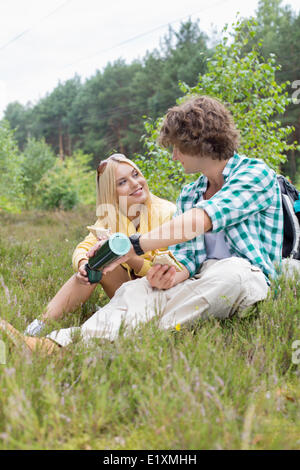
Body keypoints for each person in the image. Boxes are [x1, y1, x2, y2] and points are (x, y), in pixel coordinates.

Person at [0, 96, 284, 353]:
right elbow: (190, 255)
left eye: (176, 148)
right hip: (199, 279)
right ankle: (53, 346)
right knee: (137, 290)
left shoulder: (255, 173)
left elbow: (201, 221)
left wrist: (133, 248)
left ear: (198, 142)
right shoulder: (190, 193)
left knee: (230, 273)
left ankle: (123, 337)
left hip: (249, 275)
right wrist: (174, 275)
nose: (173, 157)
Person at [23, 153, 176, 337]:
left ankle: (100, 325)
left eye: (135, 174)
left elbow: (170, 273)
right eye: (122, 182)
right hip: (126, 288)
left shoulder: (168, 213)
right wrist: (82, 264)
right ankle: (36, 327)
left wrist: (131, 258)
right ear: (110, 192)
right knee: (93, 266)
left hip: (161, 293)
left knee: (111, 259)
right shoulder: (109, 218)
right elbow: (84, 247)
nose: (135, 183)